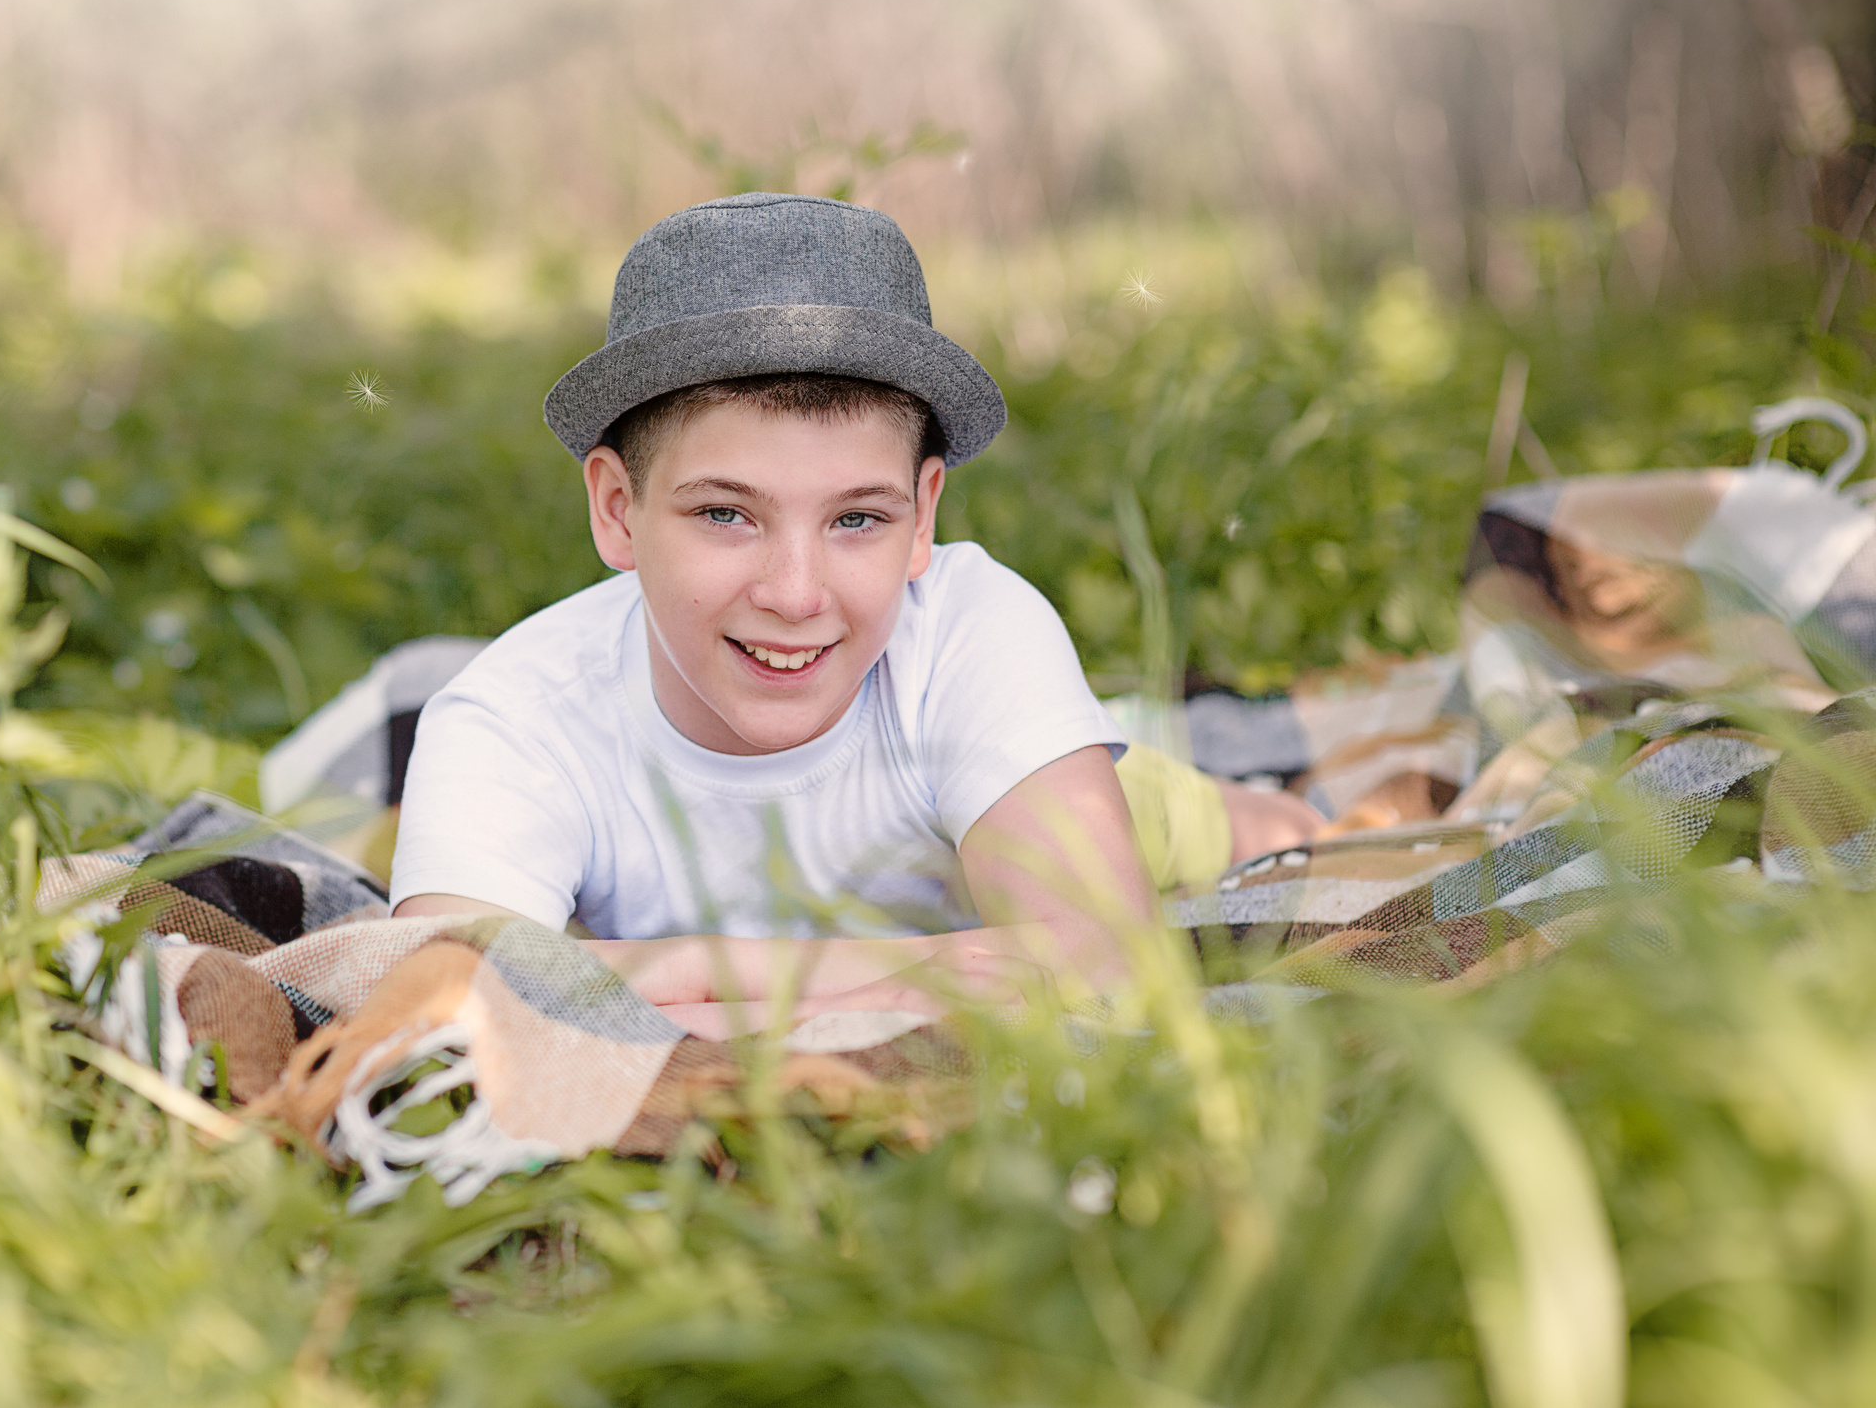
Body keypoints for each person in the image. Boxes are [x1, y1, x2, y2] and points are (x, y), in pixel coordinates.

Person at [388, 193, 1311, 1036]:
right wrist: (914, 975)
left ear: (925, 518)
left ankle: (1258, 795)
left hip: (1038, 795)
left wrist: (672, 980)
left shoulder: (969, 632)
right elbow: (434, 994)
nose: (794, 594)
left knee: (1246, 825)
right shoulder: (515, 713)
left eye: (857, 519)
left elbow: (1106, 966)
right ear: (617, 509)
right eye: (725, 513)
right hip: (964, 830)